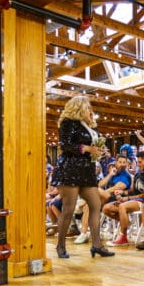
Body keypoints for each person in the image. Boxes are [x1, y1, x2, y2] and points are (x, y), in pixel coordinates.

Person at [51, 96, 113, 259]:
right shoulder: (68, 122)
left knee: (95, 204)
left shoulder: (90, 127)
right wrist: (87, 148)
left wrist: (99, 151)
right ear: (78, 108)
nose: (90, 111)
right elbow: (65, 145)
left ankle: (97, 245)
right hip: (70, 168)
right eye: (87, 107)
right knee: (68, 209)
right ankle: (60, 245)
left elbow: (95, 145)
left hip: (87, 169)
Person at [103, 152, 144, 246]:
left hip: (143, 202)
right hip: (131, 200)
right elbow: (132, 190)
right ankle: (127, 223)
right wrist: (122, 192)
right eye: (138, 162)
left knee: (122, 206)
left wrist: (127, 198)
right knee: (106, 208)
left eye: (140, 162)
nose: (138, 164)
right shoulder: (137, 174)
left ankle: (123, 238)